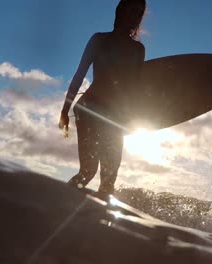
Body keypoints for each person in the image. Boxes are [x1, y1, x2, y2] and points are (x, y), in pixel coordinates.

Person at [58, 0, 146, 198]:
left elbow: (135, 89)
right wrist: (65, 110)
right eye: (130, 9)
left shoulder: (137, 50)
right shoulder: (99, 39)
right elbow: (79, 74)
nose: (133, 15)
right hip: (90, 109)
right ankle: (58, 210)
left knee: (108, 182)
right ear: (119, 11)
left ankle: (94, 226)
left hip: (115, 117)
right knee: (87, 172)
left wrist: (133, 120)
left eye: (138, 12)